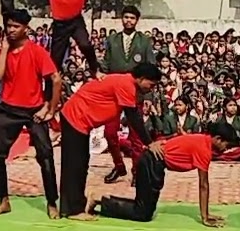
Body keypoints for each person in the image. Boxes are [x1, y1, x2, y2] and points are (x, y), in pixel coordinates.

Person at [58, 63, 162, 218]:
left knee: (79, 164)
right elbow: (133, 117)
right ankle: (73, 210)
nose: (151, 89)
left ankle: (73, 205)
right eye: (151, 84)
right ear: (141, 78)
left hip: (79, 120)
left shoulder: (125, 82)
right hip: (76, 118)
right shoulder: (126, 84)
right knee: (75, 166)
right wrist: (149, 142)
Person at [0, 9, 63, 218]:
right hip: (8, 109)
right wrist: (3, 49)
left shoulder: (37, 51)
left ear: (25, 28)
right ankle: (3, 200)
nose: (11, 30)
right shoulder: (5, 51)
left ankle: (51, 202)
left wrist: (50, 108)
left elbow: (55, 79)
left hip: (34, 111)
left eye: (15, 26)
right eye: (8, 26)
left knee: (45, 156)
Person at [76, 132, 232, 226]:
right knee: (143, 214)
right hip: (152, 162)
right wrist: (205, 217)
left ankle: (99, 201)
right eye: (226, 143)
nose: (226, 148)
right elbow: (203, 185)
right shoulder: (204, 149)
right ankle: (97, 200)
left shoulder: (201, 139)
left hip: (153, 163)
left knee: (144, 208)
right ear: (217, 139)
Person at [100, 6, 156, 184]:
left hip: (135, 94)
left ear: (137, 20)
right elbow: (105, 66)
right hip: (113, 94)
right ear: (121, 19)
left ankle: (137, 171)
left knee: (136, 136)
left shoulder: (144, 41)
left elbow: (151, 70)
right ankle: (118, 166)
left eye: (132, 18)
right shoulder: (112, 40)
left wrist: (148, 97)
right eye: (126, 17)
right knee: (109, 133)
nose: (129, 21)